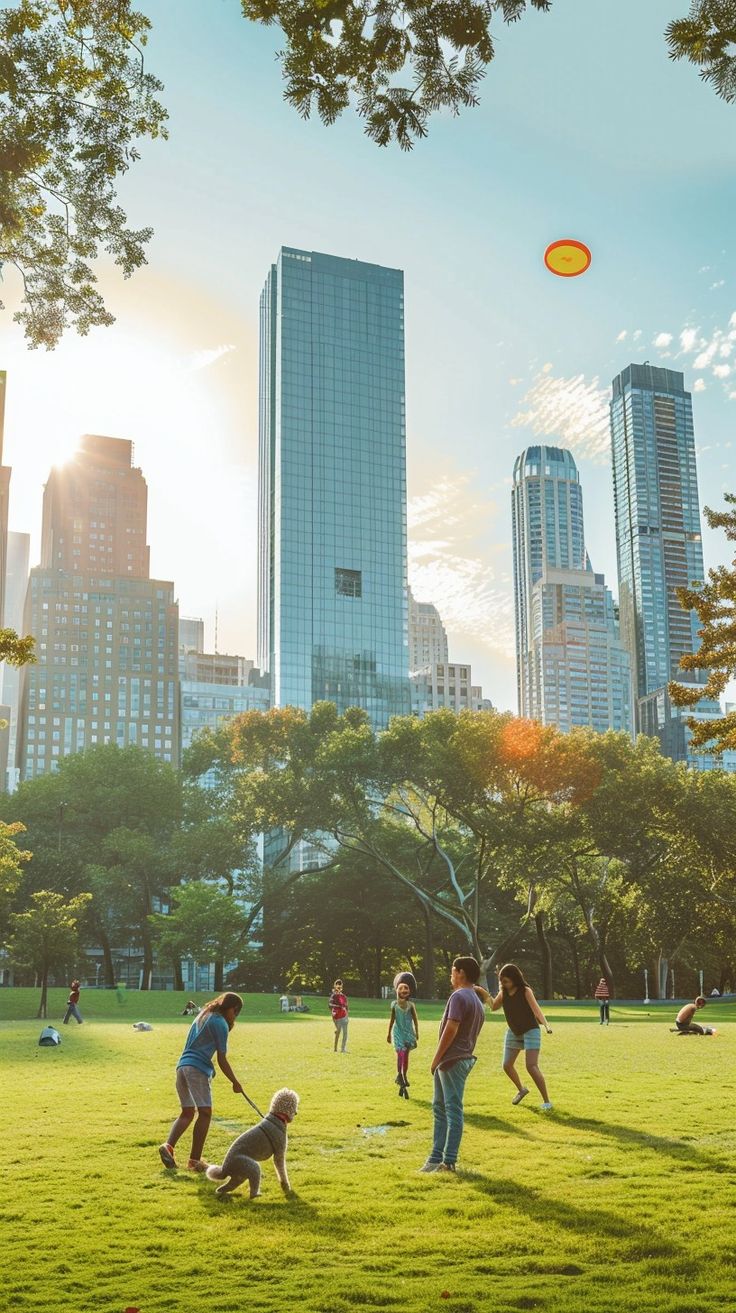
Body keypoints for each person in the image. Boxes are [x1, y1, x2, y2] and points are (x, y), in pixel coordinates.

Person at [158, 991, 245, 1172]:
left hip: (182, 1066)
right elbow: (222, 1059)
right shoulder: (220, 1023)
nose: (234, 1017)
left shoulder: (204, 1014)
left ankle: (168, 1147)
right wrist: (235, 1082)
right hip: (197, 1069)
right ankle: (194, 1161)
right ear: (231, 1008)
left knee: (187, 1112)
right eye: (235, 1012)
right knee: (205, 1113)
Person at [419, 956, 485, 1174]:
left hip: (452, 1060)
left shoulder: (459, 997)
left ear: (461, 973)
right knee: (440, 1108)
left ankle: (448, 1161)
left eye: (452, 971)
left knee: (451, 1110)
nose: (450, 975)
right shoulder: (476, 999)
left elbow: (451, 1029)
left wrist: (436, 1058)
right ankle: (435, 1159)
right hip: (461, 1059)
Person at [477, 963, 553, 1110]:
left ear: (514, 979)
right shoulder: (503, 992)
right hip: (514, 1030)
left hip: (531, 1029)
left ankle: (546, 1101)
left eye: (506, 981)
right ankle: (521, 1089)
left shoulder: (525, 990)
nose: (503, 984)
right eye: (501, 981)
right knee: (507, 1065)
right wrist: (482, 991)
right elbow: (493, 1006)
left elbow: (536, 1010)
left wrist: (546, 1025)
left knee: (531, 1066)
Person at [387, 978, 419, 1097]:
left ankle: (404, 1075)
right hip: (397, 1033)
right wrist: (388, 1033)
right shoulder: (394, 1004)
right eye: (401, 988)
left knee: (405, 1056)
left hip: (408, 1033)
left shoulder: (411, 1005)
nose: (404, 989)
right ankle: (399, 1075)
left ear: (409, 991)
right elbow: (392, 1019)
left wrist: (416, 1032)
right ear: (397, 991)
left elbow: (415, 1019)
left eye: (406, 988)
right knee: (400, 1053)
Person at [329, 979, 349, 1053]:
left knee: (345, 1033)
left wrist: (347, 1015)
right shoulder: (333, 996)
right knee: (339, 1031)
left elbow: (347, 1006)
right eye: (337, 987)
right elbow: (330, 1005)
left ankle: (343, 1049)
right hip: (336, 1016)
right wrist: (338, 1006)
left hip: (344, 1015)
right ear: (335, 987)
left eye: (340, 987)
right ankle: (335, 1048)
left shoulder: (344, 996)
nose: (339, 989)